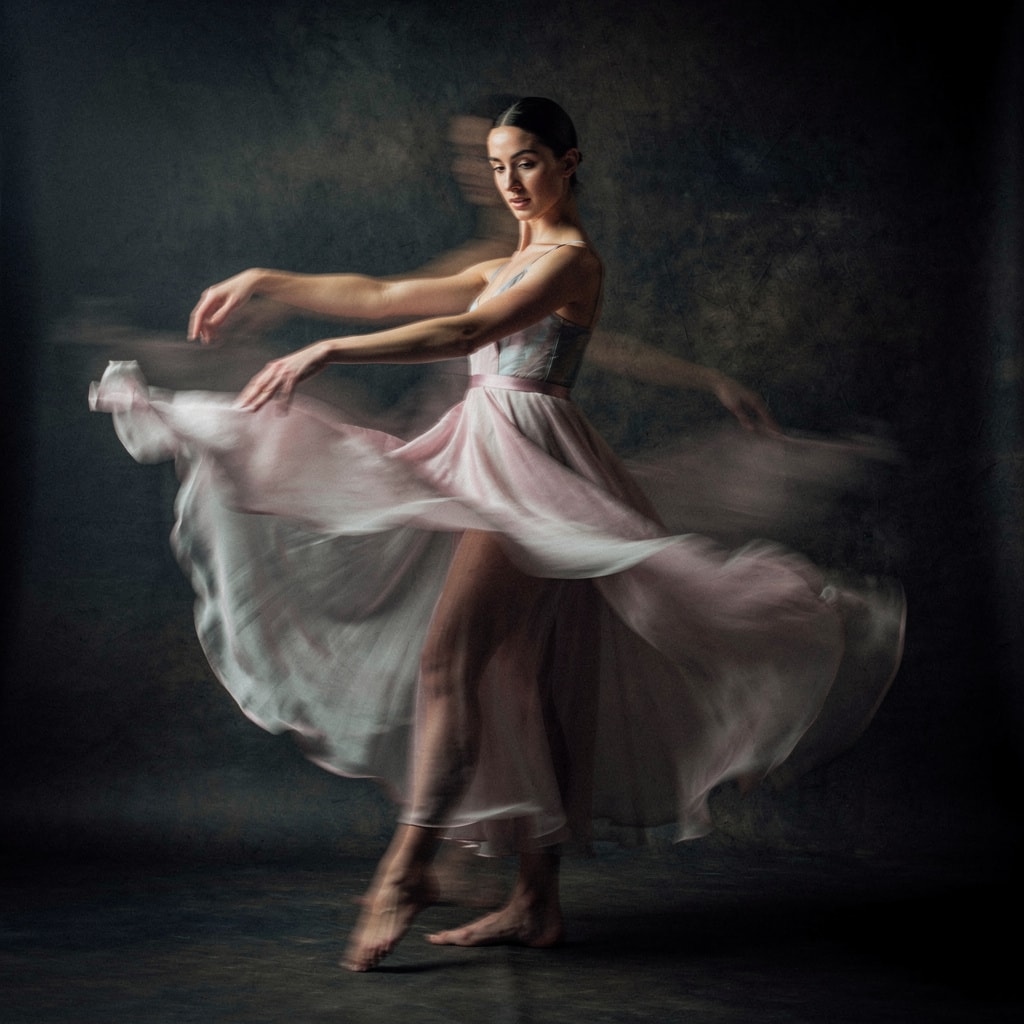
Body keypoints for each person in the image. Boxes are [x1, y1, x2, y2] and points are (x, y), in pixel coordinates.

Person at [91, 97, 905, 972]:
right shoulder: (507, 260)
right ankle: (535, 901)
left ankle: (406, 869)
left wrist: (326, 352)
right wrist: (267, 278)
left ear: (568, 162)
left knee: (452, 664)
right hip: (490, 454)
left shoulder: (570, 261)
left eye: (526, 161)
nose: (509, 181)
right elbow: (383, 294)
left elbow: (469, 330)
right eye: (496, 164)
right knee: (525, 677)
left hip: (531, 471)